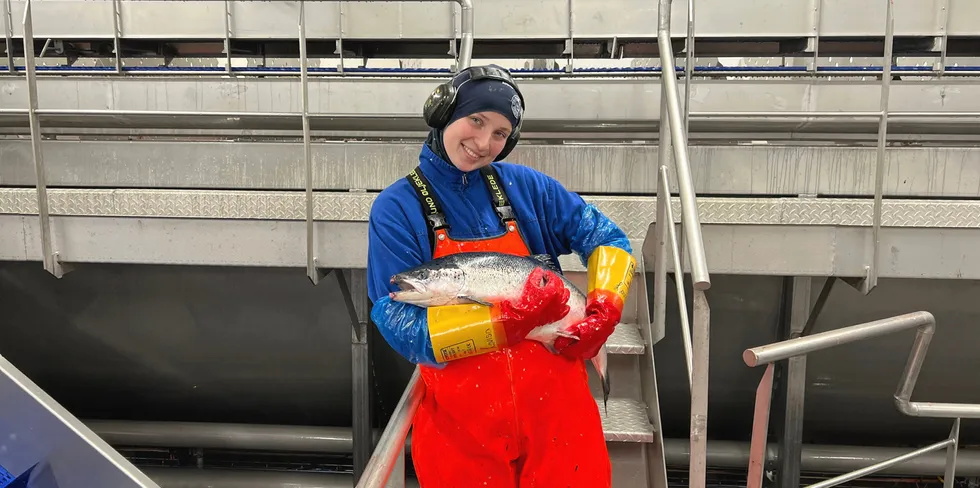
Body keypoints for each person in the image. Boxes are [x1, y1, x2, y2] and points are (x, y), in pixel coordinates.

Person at [365, 64, 636, 488]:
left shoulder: (528, 188)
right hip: (465, 438)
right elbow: (394, 317)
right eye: (476, 120)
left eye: (500, 133)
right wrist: (498, 325)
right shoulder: (397, 208)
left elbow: (608, 239)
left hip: (561, 426)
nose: (483, 143)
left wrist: (606, 307)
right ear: (443, 112)